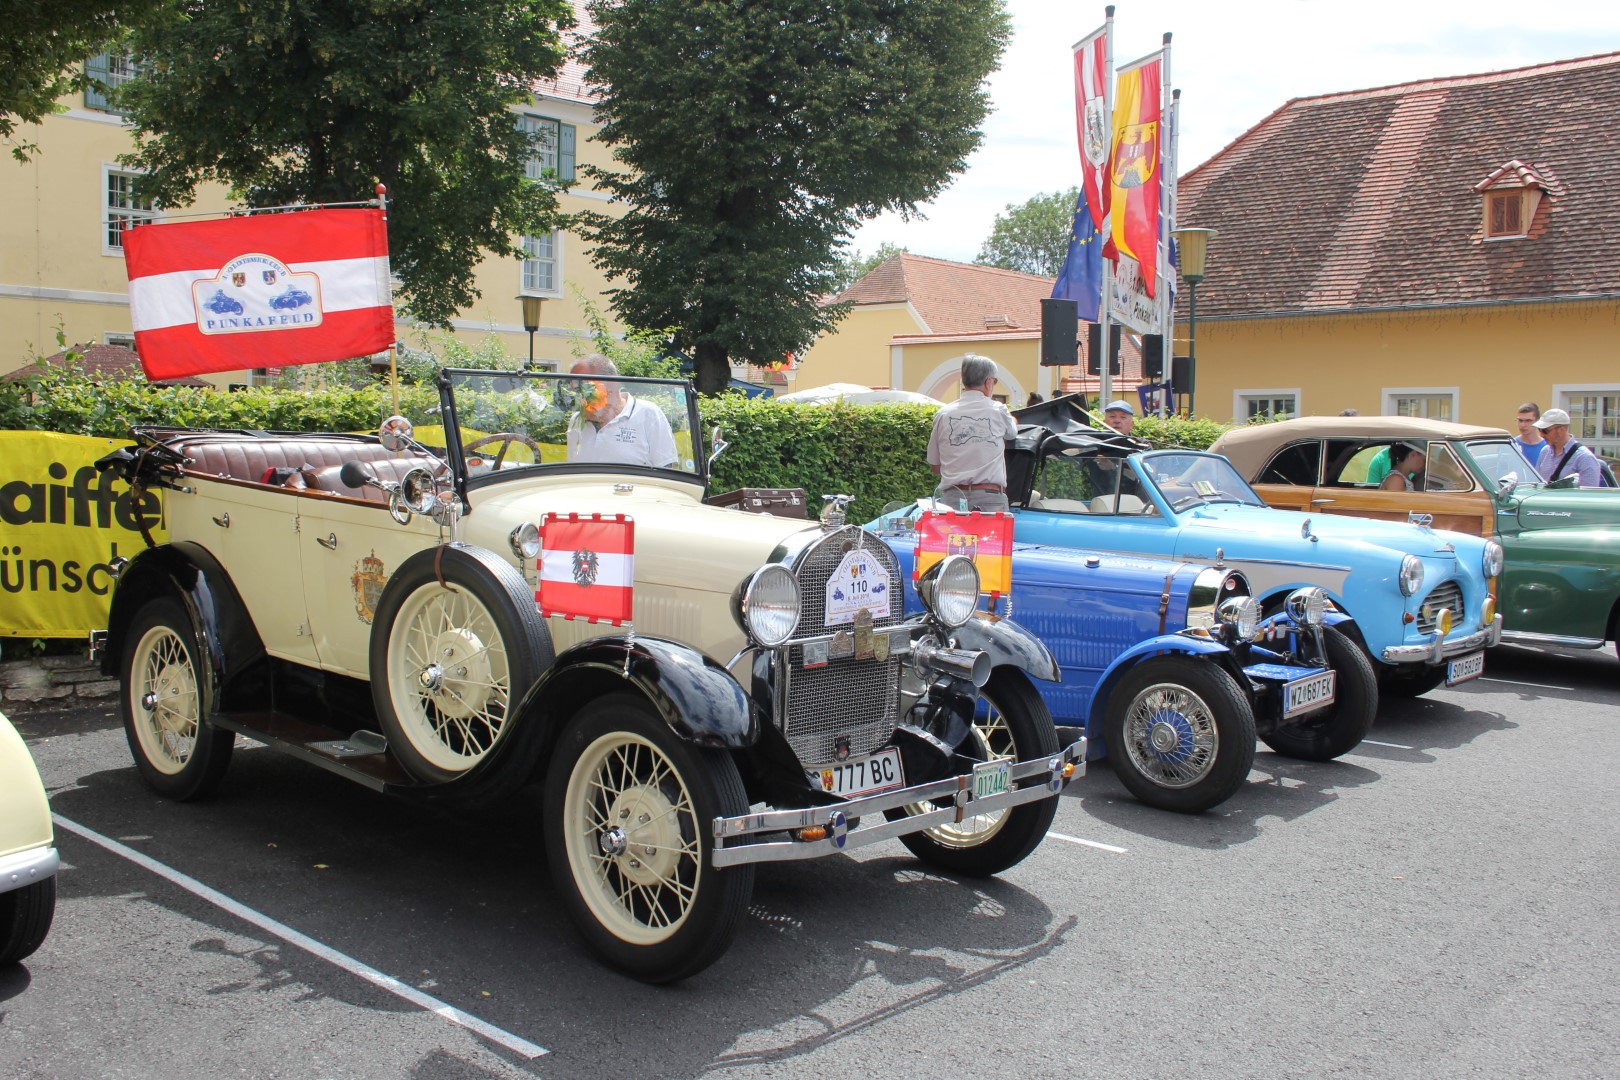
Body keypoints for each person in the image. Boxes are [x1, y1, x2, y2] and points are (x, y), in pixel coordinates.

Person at [926, 355, 1017, 512]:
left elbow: (935, 466)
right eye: (995, 382)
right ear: (988, 382)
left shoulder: (943, 414)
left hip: (951, 500)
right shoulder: (997, 410)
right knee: (993, 537)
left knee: (953, 538)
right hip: (990, 499)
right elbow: (1012, 434)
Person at [565, 354, 678, 468]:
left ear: (612, 382)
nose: (581, 397)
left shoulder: (648, 414)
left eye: (586, 388)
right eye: (576, 390)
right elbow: (573, 472)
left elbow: (665, 471)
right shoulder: (576, 422)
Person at [1533, 408, 1607, 486]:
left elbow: (1588, 495)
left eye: (1545, 430)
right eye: (1539, 430)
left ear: (1561, 429)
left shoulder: (1585, 458)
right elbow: (1537, 484)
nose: (1541, 435)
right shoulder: (1545, 452)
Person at [1513, 402, 1547, 469]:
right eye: (1520, 420)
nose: (1523, 425)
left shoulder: (1547, 447)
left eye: (1528, 421)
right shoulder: (1512, 445)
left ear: (1537, 422)